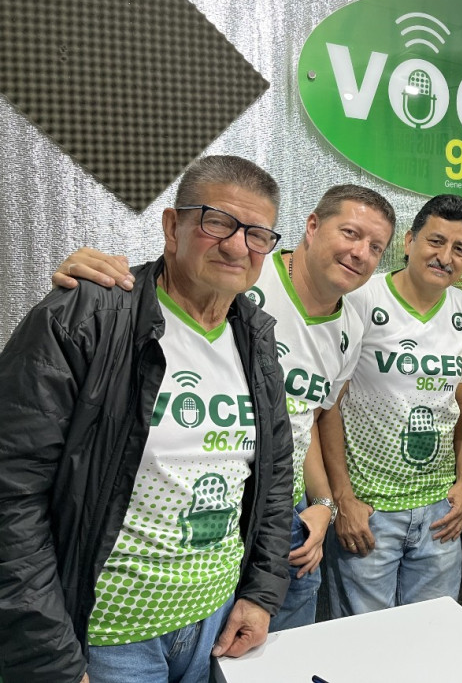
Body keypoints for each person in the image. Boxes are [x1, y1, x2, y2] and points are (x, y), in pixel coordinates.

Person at [0, 155, 294, 683]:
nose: (236, 245)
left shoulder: (254, 336)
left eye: (257, 234)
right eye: (216, 221)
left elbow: (273, 479)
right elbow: (11, 495)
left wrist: (259, 595)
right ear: (171, 226)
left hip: (217, 627)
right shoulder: (87, 317)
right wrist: (51, 658)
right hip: (108, 639)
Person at [51, 184, 397, 632]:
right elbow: (156, 293)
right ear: (311, 226)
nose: (360, 253)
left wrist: (324, 503)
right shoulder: (244, 275)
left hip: (282, 524)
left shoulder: (351, 324)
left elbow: (305, 419)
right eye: (350, 233)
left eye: (375, 247)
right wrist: (91, 284)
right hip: (189, 533)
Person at [323, 194, 462, 616]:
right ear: (409, 241)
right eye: (436, 241)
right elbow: (329, 405)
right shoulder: (362, 299)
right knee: (364, 647)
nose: (445, 257)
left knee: (432, 639)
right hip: (370, 511)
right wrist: (343, 498)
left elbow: (460, 404)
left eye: (459, 249)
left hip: (439, 513)